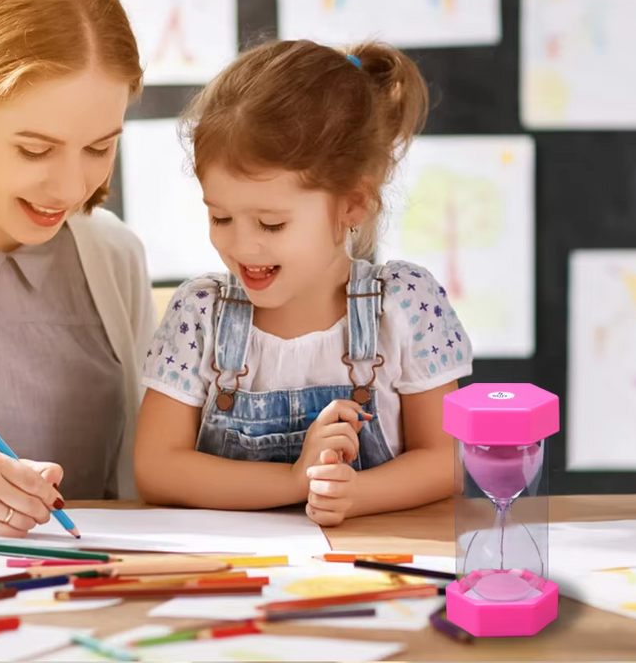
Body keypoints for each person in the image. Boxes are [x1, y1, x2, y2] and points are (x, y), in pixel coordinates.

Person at [135, 39, 473, 526]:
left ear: (352, 205)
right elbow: (156, 468)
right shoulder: (200, 314)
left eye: (271, 224)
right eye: (221, 216)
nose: (243, 247)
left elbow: (447, 459)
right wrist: (295, 481)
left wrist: (359, 493)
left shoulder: (402, 305)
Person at [0, 0, 156, 538]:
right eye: (35, 149)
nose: (72, 187)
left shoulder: (113, 256)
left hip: (95, 600)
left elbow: (144, 477)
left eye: (100, 147)